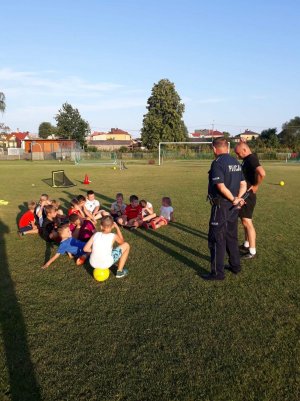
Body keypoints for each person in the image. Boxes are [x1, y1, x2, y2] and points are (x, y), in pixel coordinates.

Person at [202, 137, 247, 281]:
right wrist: (239, 199)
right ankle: (235, 266)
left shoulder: (217, 163)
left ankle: (217, 273)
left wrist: (234, 199)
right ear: (227, 147)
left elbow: (220, 187)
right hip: (233, 207)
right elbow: (243, 184)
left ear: (215, 149)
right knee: (231, 237)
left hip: (221, 206)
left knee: (216, 239)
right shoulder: (236, 162)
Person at [234, 141, 266, 259]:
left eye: (238, 153)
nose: (237, 156)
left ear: (245, 150)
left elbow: (262, 173)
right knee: (244, 221)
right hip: (245, 194)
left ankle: (252, 251)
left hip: (248, 196)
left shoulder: (251, 159)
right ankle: (247, 244)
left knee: (247, 222)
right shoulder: (248, 159)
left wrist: (256, 185)